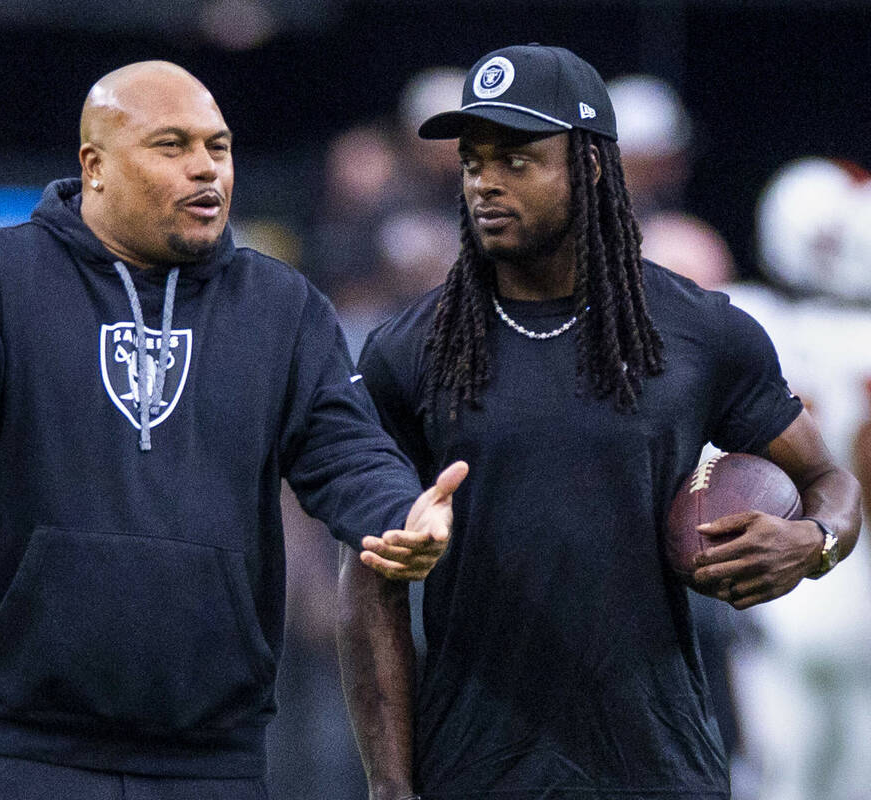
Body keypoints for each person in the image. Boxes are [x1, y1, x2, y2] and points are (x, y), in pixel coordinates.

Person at [0, 60, 466, 800]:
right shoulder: (1, 279)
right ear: (95, 165)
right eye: (172, 146)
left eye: (219, 147)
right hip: (19, 750)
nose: (206, 168)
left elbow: (346, 451)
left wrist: (401, 511)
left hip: (211, 758)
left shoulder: (282, 308)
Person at [336, 44, 863, 800]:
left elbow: (827, 479)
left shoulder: (698, 331)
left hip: (658, 766)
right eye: (474, 160)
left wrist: (814, 542)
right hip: (475, 769)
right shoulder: (412, 348)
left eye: (517, 159)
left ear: (587, 164)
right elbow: (368, 573)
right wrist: (389, 785)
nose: (485, 180)